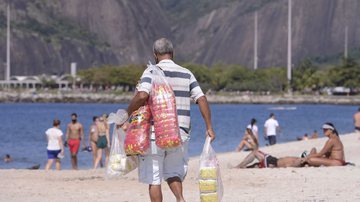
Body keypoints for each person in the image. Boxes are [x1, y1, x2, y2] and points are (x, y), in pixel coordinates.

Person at [122, 38, 216, 202]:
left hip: (155, 132)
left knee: (154, 178)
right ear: (172, 53)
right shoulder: (186, 73)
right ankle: (180, 199)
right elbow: (201, 98)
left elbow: (142, 95)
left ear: (155, 55)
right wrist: (209, 127)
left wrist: (126, 113)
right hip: (180, 133)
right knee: (173, 172)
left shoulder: (151, 71)